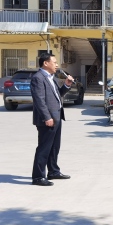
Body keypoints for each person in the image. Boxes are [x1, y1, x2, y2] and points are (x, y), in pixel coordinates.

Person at [31, 53, 74, 186]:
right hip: (47, 119)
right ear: (46, 63)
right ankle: (38, 177)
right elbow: (39, 100)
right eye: (54, 62)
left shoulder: (51, 78)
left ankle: (53, 171)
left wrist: (66, 85)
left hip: (57, 116)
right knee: (44, 148)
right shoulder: (38, 78)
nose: (56, 65)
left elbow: (57, 96)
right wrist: (47, 117)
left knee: (55, 146)